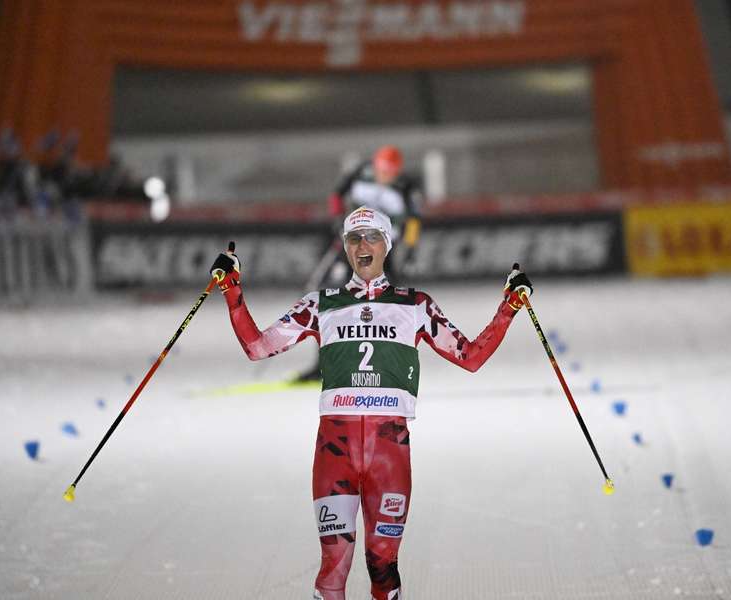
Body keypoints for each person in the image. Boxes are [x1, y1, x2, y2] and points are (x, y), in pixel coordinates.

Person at [209, 206, 533, 600]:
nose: (363, 245)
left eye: (373, 237)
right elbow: (258, 348)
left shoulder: (415, 305)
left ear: (387, 244)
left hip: (388, 455)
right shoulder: (320, 304)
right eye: (354, 238)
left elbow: (470, 357)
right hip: (335, 454)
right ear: (346, 247)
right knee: (334, 566)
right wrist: (231, 289)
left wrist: (509, 307)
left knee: (383, 567)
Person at [298, 145, 424, 382]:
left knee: (386, 307)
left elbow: (414, 221)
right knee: (332, 300)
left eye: (390, 172)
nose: (384, 176)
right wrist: (338, 220)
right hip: (351, 248)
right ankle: (323, 365)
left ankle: (386, 364)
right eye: (381, 170)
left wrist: (410, 249)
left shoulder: (407, 187)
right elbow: (337, 195)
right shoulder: (360, 173)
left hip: (382, 254)